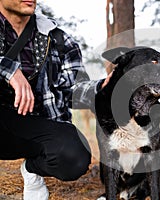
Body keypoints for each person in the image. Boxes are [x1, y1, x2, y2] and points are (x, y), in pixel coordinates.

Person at [0, 0, 110, 199]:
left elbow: (75, 88)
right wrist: (9, 70)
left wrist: (105, 87)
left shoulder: (57, 38)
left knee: (74, 156)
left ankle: (32, 169)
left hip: (32, 124)